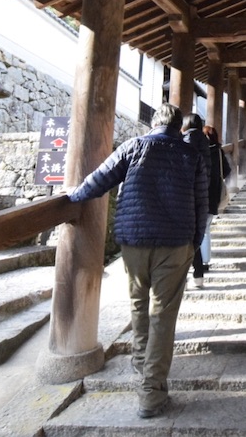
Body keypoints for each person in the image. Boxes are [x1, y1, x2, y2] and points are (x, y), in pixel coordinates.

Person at [67, 102, 208, 419]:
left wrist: (72, 196)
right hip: (175, 242)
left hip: (134, 241)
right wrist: (195, 240)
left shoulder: (133, 146)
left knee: (138, 305)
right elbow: (201, 203)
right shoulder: (191, 155)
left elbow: (102, 178)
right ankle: (151, 393)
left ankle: (141, 364)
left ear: (153, 124)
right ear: (179, 129)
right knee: (163, 315)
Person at [190, 125, 231, 288]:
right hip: (214, 194)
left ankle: (199, 262)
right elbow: (226, 171)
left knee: (197, 230)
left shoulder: (198, 151)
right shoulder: (219, 152)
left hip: (199, 194)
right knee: (206, 229)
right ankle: (205, 261)